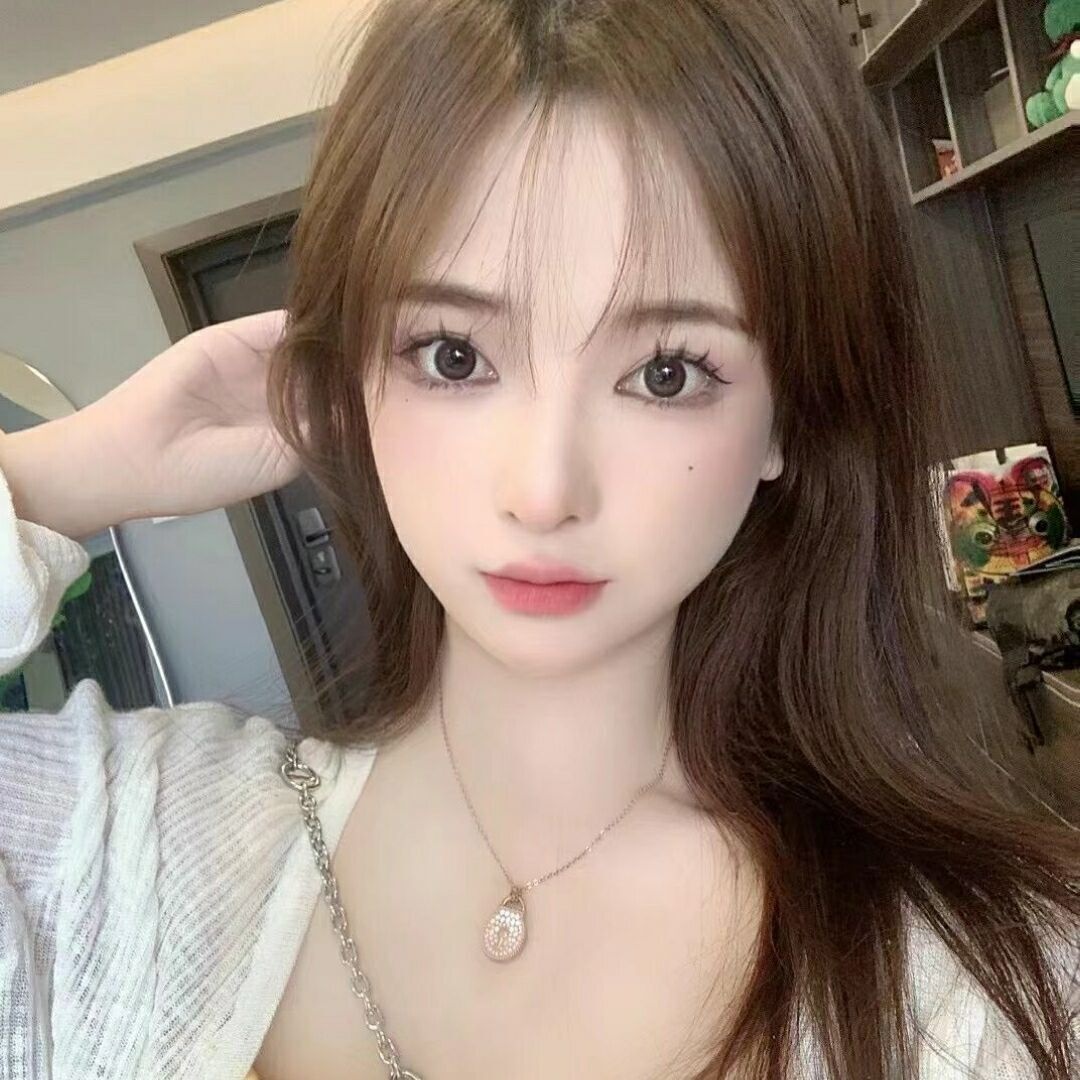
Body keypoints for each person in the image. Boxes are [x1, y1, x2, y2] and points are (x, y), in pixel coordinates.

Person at [1, 0, 1077, 1077]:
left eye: (666, 373)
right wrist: (61, 473)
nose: (544, 491)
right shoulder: (126, 855)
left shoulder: (982, 989)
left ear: (784, 418)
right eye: (454, 357)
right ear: (351, 384)